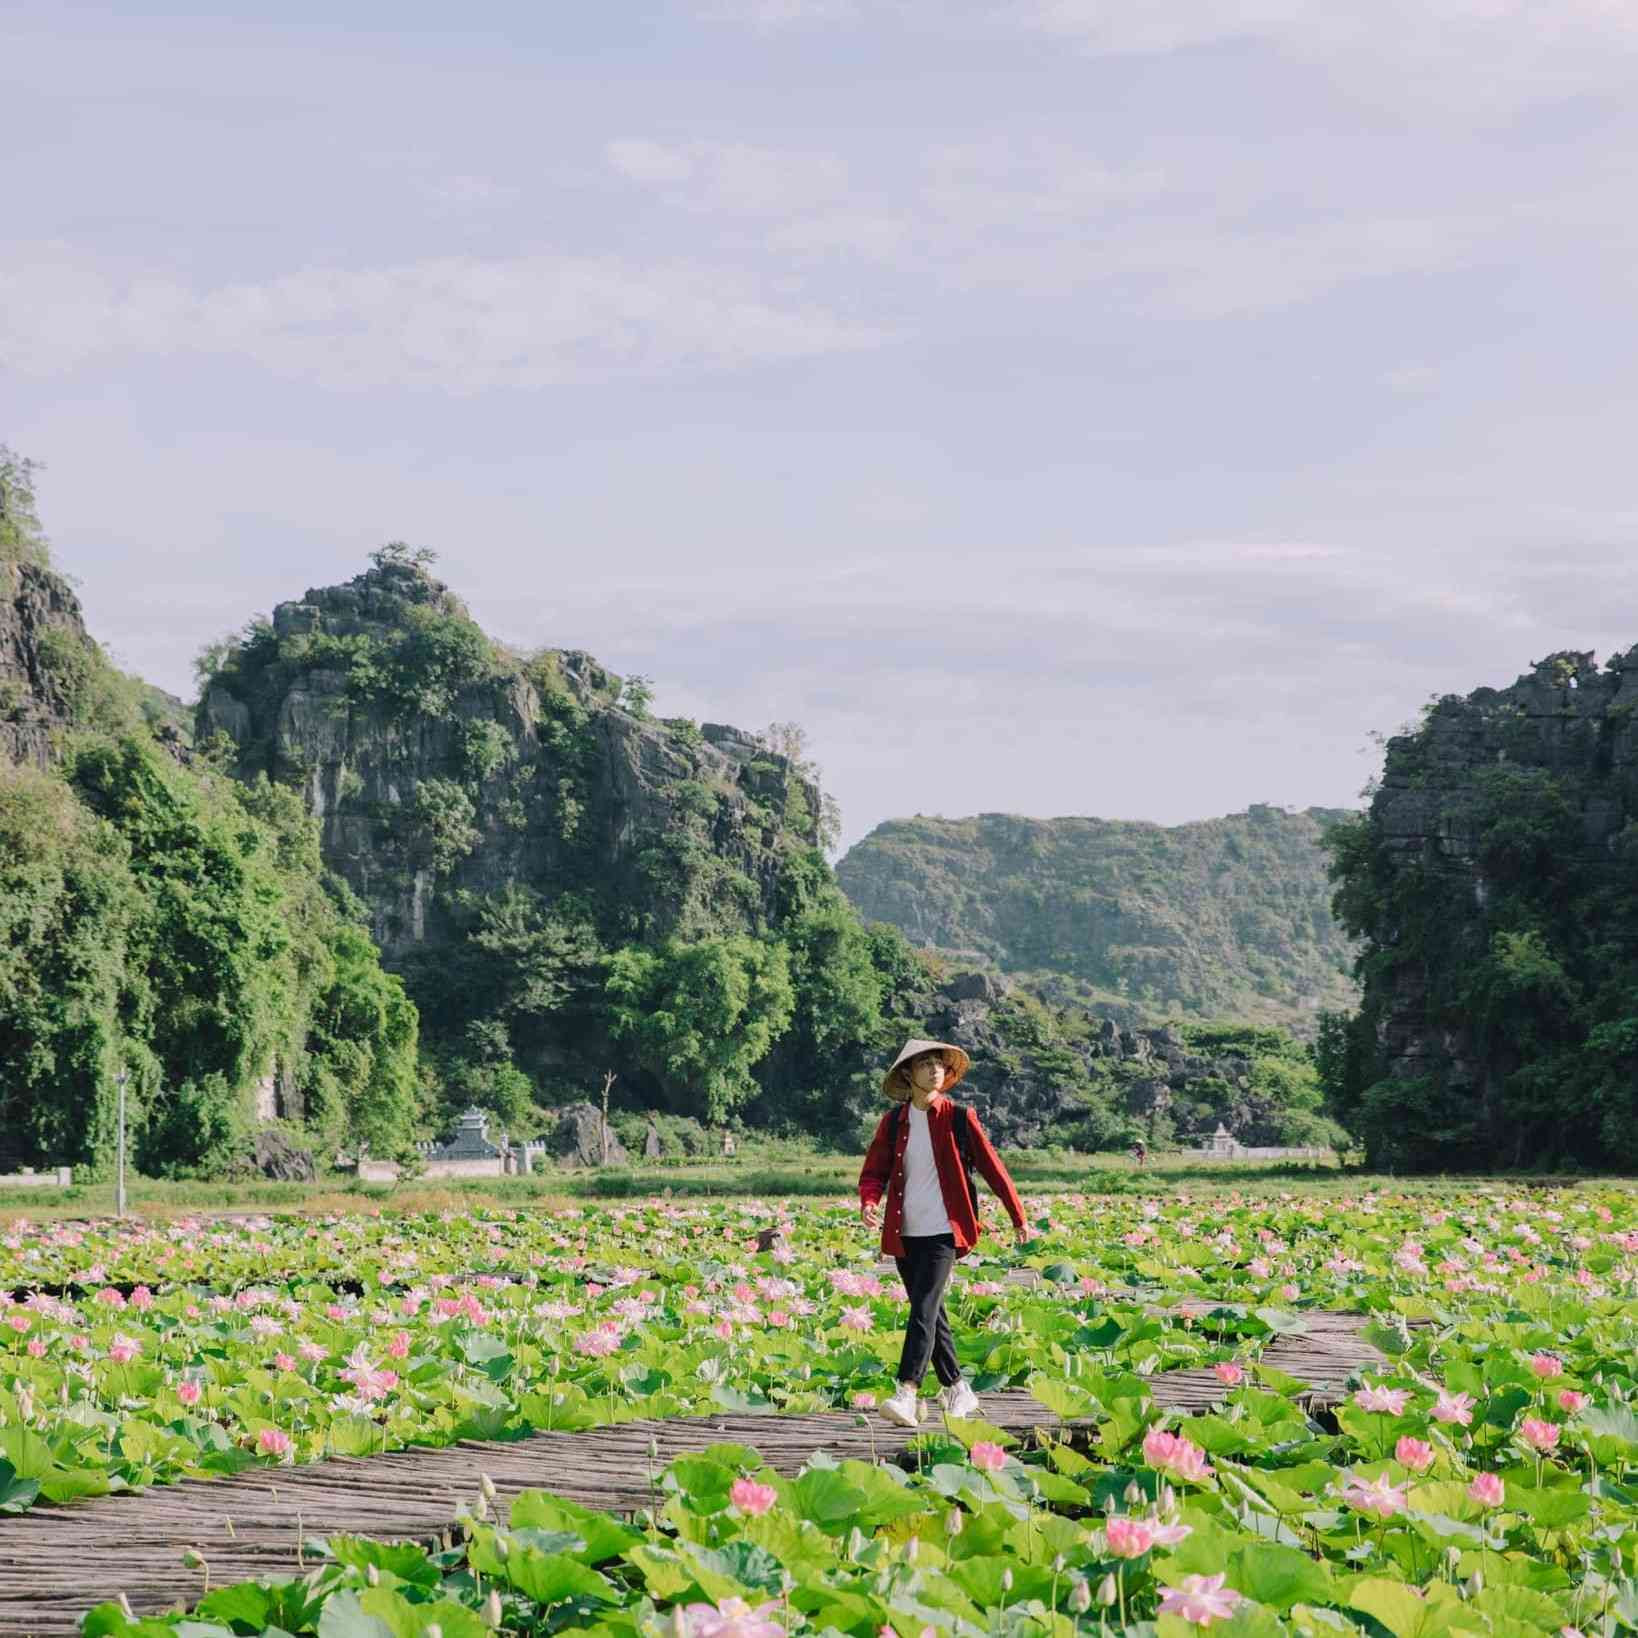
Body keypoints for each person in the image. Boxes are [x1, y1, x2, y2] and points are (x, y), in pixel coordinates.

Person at [858, 1037, 1031, 1429]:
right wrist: (869, 1201)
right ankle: (957, 1388)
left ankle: (906, 1392)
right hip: (905, 1233)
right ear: (908, 1074)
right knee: (933, 1316)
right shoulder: (894, 1122)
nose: (935, 1070)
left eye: (939, 1064)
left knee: (922, 1310)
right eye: (925, 1064)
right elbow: (874, 1171)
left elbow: (993, 1169)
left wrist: (1016, 1215)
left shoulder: (958, 1117)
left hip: (944, 1232)